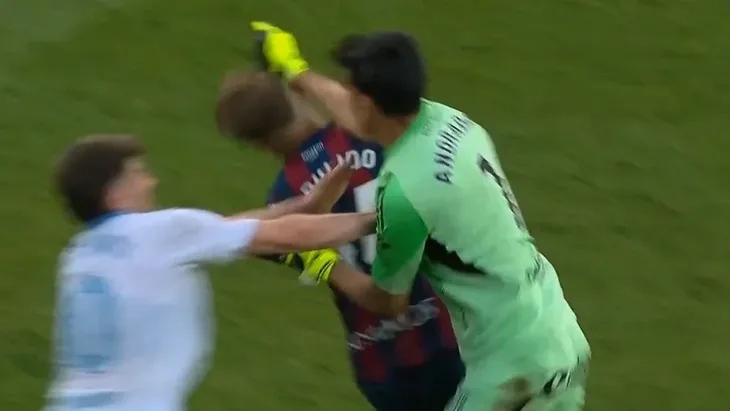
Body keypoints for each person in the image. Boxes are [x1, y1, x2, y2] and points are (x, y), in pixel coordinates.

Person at [251, 22, 591, 411]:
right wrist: (296, 71)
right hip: (557, 331)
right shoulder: (452, 121)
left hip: (511, 370)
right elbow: (359, 114)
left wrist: (323, 264)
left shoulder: (404, 193)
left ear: (367, 103)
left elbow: (387, 302)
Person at [46, 134, 373, 411]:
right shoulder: (161, 232)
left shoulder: (77, 256)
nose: (150, 182)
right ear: (114, 192)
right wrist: (375, 219)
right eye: (137, 174)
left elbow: (216, 231)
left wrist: (305, 205)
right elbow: (285, 236)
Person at [215, 70, 463, 411]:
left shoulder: (282, 203)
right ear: (293, 97)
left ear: (258, 144)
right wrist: (298, 71)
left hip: (381, 361)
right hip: (452, 332)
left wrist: (322, 264)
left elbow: (242, 238)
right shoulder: (372, 137)